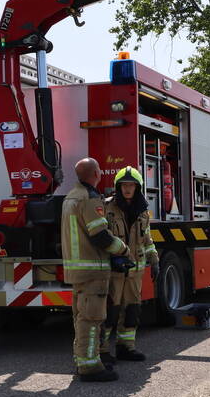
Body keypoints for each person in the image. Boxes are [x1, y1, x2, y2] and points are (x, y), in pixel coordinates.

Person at [61, 158, 131, 382]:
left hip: (77, 270)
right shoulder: (89, 199)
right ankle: (90, 367)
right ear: (95, 174)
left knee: (81, 318)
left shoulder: (70, 197)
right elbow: (100, 235)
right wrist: (123, 250)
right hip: (92, 270)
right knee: (91, 319)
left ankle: (82, 360)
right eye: (99, 170)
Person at [101, 166, 160, 364]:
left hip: (135, 272)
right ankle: (102, 351)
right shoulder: (107, 207)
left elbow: (147, 239)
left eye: (131, 185)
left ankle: (126, 347)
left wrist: (154, 258)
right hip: (115, 271)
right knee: (110, 311)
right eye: (124, 185)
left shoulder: (143, 211)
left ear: (137, 188)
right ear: (118, 187)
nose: (127, 189)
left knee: (132, 310)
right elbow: (101, 237)